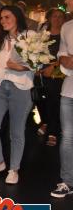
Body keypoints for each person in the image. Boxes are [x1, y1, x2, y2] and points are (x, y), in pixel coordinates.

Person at [0, 6, 34, 185]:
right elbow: (0, 64)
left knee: (16, 132)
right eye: (2, 18)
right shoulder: (2, 39)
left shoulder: (30, 37)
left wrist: (22, 67)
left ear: (17, 17)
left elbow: (41, 62)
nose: (3, 20)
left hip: (20, 88)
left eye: (7, 17)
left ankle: (14, 169)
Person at [51, 0, 73, 198]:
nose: (66, 1)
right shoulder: (67, 27)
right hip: (68, 91)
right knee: (67, 138)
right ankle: (67, 180)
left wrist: (69, 58)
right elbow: (62, 57)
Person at [39, 8, 66, 147]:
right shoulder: (44, 33)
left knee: (54, 102)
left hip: (58, 73)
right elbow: (36, 51)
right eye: (54, 16)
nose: (57, 19)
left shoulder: (65, 34)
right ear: (49, 18)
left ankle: (53, 132)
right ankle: (47, 122)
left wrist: (53, 67)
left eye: (60, 16)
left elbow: (65, 55)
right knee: (40, 100)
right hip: (42, 72)